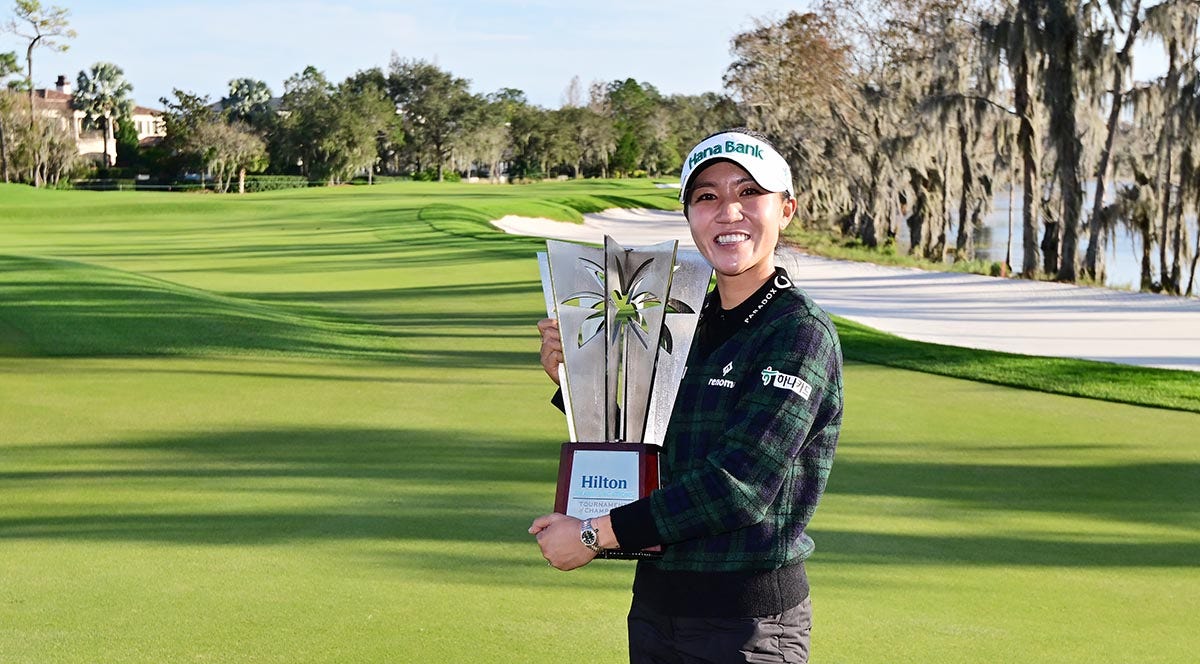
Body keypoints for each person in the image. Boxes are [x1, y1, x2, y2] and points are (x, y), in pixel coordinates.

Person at [530, 128, 843, 664]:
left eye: (749, 193)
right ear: (691, 216)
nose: (728, 212)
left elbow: (737, 487)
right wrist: (578, 383)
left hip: (747, 625)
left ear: (786, 209)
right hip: (656, 610)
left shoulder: (797, 332)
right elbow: (653, 445)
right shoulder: (683, 322)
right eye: (707, 197)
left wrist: (591, 535)